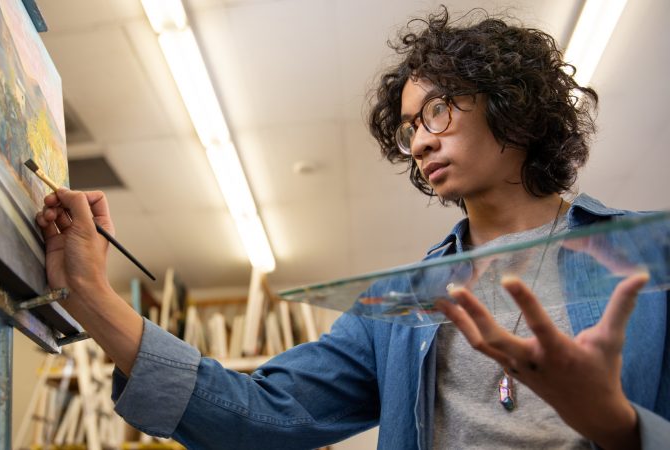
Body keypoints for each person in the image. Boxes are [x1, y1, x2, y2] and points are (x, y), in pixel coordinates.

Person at [35, 7, 669, 449]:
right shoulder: (398, 310)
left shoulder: (648, 263)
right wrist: (93, 297)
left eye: (439, 112)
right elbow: (260, 417)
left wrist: (617, 425)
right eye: (409, 127)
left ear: (517, 108)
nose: (419, 142)